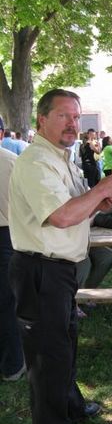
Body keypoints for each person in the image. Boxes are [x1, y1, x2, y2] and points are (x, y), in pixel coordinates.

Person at [8, 88, 112, 424]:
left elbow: (76, 209)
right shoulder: (34, 162)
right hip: (40, 270)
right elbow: (60, 216)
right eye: (64, 116)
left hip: (59, 271)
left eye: (77, 117)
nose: (73, 124)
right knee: (48, 359)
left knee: (65, 345)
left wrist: (97, 201)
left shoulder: (62, 158)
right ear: (41, 120)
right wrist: (101, 190)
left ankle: (70, 406)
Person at [0, 147, 25, 382]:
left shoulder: (12, 159)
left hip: (7, 232)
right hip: (7, 233)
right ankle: (12, 364)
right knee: (7, 301)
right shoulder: (11, 160)